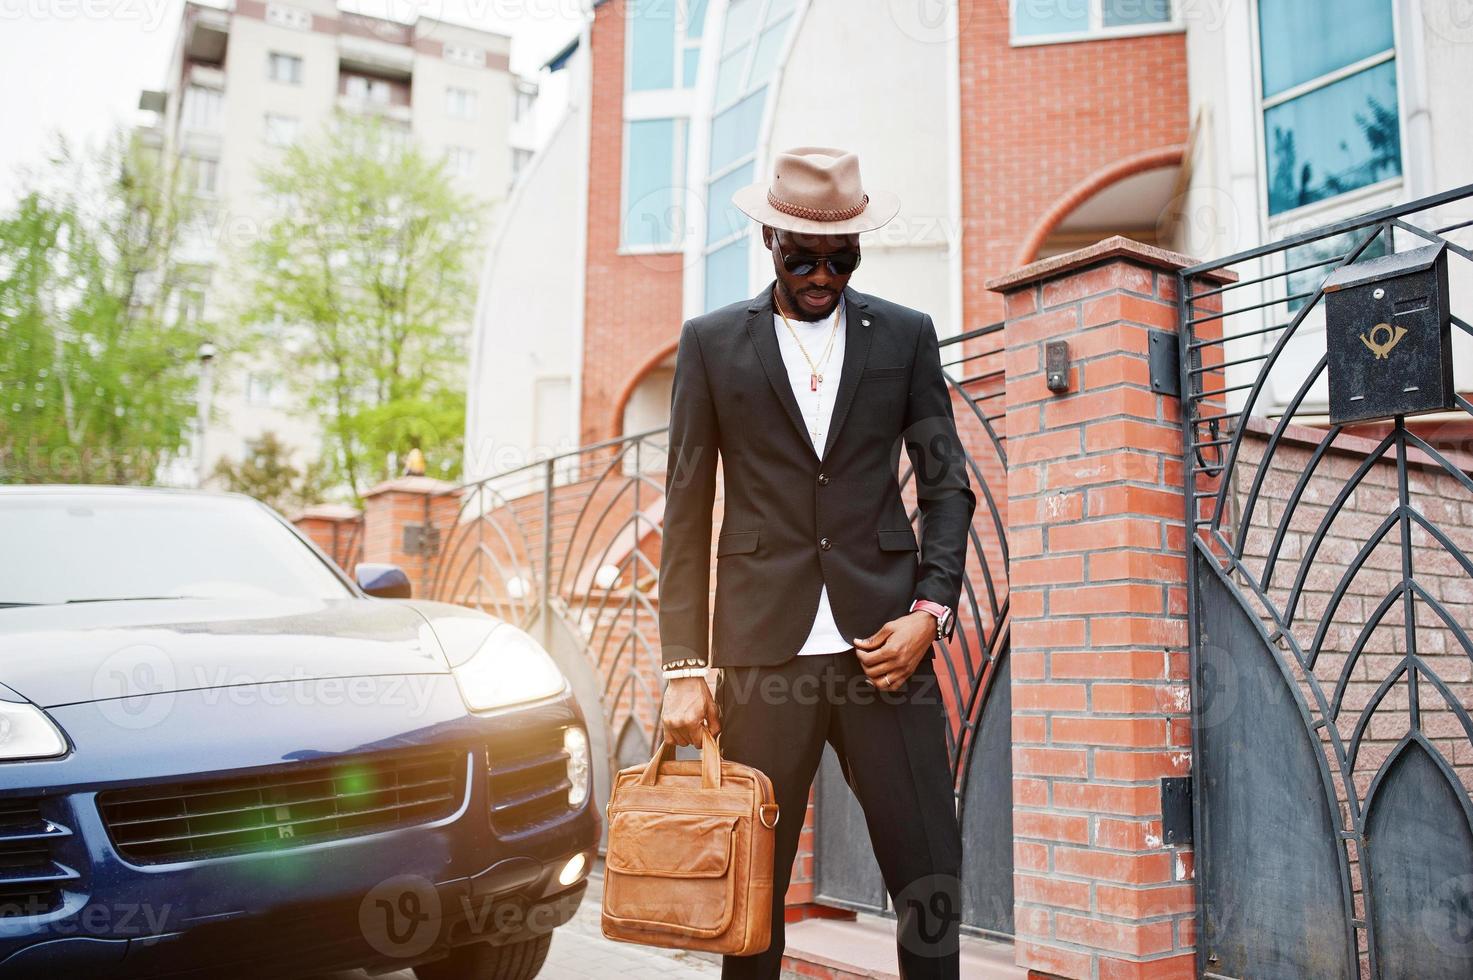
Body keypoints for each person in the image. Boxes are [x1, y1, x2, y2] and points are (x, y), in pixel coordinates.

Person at [655, 146, 974, 980]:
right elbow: (685, 514)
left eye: (841, 257)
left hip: (886, 654)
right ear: (768, 239)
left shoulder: (904, 337)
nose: (822, 275)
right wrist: (683, 665)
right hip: (762, 657)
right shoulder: (712, 343)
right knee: (752, 895)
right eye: (804, 257)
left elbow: (947, 488)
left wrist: (929, 613)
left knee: (929, 877)